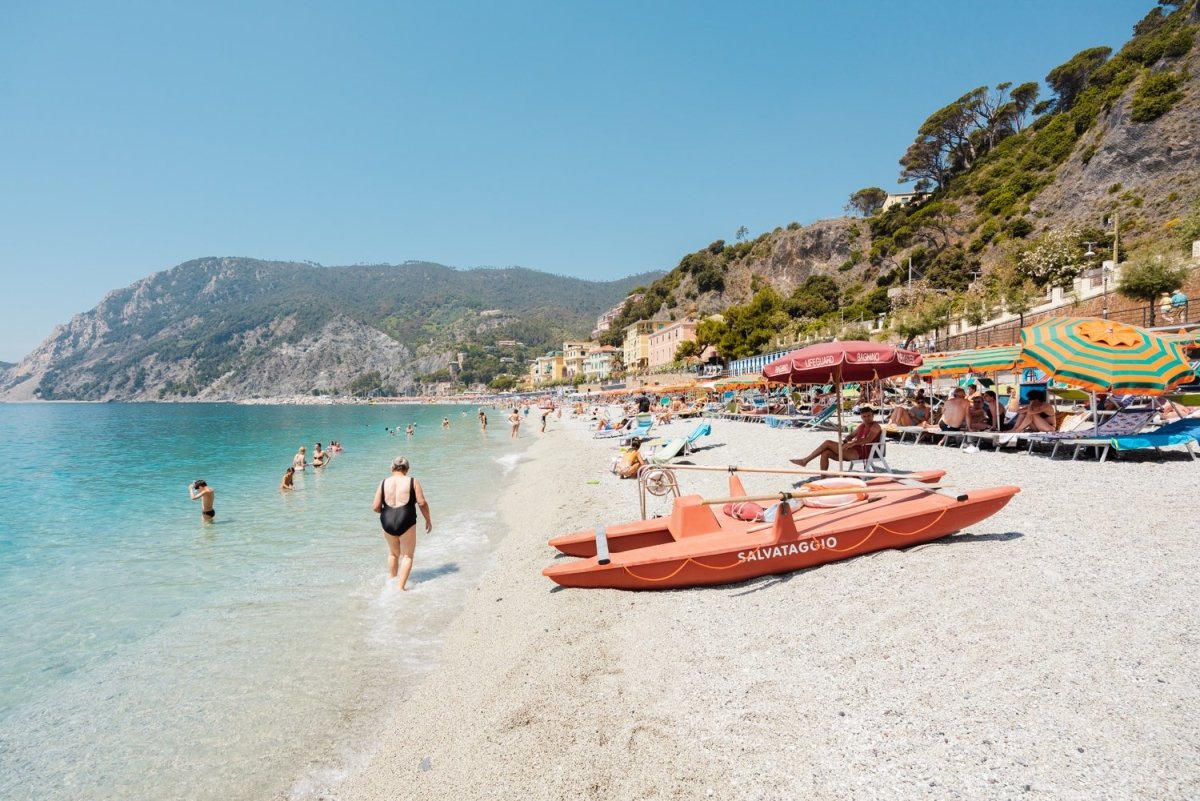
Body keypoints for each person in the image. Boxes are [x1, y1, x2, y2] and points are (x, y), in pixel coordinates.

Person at [372, 457, 431, 591]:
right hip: (406, 518)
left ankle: (391, 583)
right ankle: (400, 588)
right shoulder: (413, 481)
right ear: (407, 469)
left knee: (393, 553)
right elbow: (422, 503)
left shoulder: (383, 482)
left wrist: (387, 512)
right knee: (407, 555)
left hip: (387, 519)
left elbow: (375, 507)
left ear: (392, 468)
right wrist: (428, 519)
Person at [791, 407, 882, 471]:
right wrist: (845, 441)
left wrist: (853, 443)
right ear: (861, 417)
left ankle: (805, 461)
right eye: (864, 416)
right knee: (825, 453)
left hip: (862, 453)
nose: (866, 418)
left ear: (873, 415)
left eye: (869, 416)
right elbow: (851, 435)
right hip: (853, 450)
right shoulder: (862, 426)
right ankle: (823, 478)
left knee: (827, 443)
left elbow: (868, 440)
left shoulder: (875, 426)